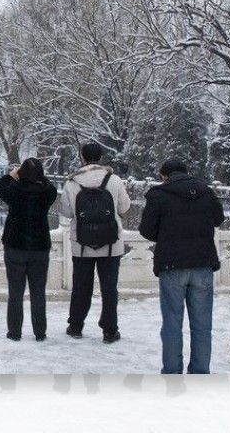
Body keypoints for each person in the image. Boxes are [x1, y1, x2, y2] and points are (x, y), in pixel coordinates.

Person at [139, 158, 225, 374]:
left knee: (172, 323)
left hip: (172, 264)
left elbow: (147, 231)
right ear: (188, 173)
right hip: (203, 264)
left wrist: (168, 233)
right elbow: (218, 219)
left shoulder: (158, 195)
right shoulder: (206, 192)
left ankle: (172, 372)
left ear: (163, 175)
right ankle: (200, 371)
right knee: (203, 325)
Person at [56, 142, 131, 343]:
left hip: (82, 244)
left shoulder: (72, 182)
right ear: (101, 158)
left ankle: (76, 326)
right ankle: (109, 330)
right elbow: (124, 208)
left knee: (81, 287)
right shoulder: (114, 180)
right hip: (110, 245)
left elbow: (66, 212)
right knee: (109, 288)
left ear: (82, 158)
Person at [0, 157, 58, 341]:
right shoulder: (46, 192)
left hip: (16, 246)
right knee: (38, 292)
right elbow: (50, 187)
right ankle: (40, 332)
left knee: (15, 291)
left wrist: (12, 175)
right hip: (39, 247)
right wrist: (40, 177)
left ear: (21, 172)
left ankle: (14, 332)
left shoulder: (14, 190)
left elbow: (1, 187)